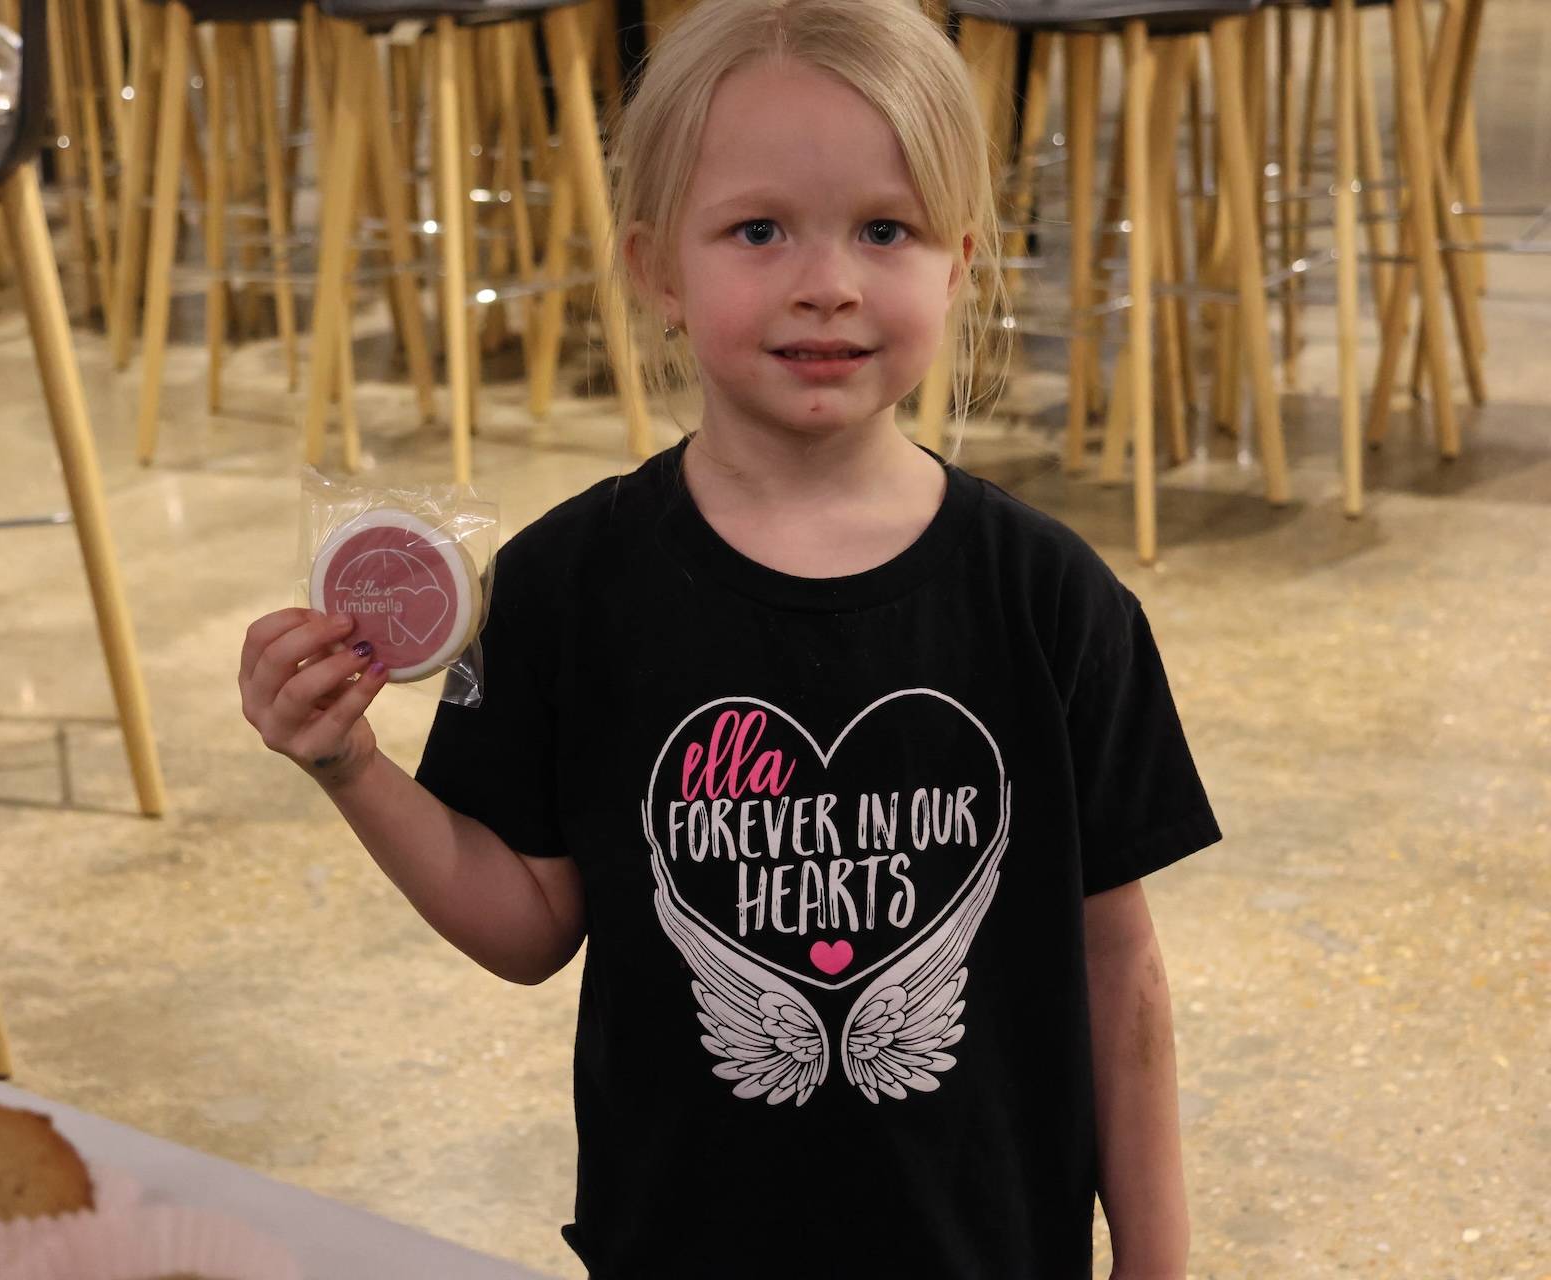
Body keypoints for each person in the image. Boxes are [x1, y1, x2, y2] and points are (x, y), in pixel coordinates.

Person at [239, 0, 1221, 1273]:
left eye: (887, 228)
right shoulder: (568, 584)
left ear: (960, 259)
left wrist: (1156, 1259)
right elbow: (530, 922)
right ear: (657, 265)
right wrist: (349, 767)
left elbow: (1117, 968)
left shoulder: (1051, 597)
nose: (828, 282)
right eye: (759, 230)